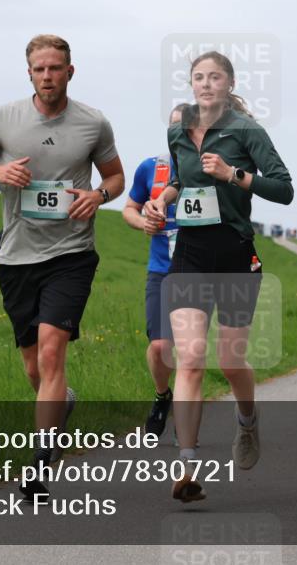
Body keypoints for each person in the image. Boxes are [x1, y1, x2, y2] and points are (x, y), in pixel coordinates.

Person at [0, 34, 124, 500]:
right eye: (39, 69)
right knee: (33, 366)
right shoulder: (3, 118)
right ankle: (61, 402)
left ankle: (40, 466)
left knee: (51, 353)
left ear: (71, 71)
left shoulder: (93, 123)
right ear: (29, 73)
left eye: (56, 68)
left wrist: (98, 196)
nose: (48, 76)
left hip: (71, 253)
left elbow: (115, 176)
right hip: (16, 256)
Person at [143, 51, 293, 503]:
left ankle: (247, 420)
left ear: (229, 84)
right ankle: (187, 467)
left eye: (215, 77)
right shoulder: (178, 130)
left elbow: (284, 189)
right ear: (191, 85)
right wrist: (162, 202)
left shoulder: (248, 131)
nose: (205, 84)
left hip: (235, 254)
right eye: (198, 78)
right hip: (189, 254)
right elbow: (181, 182)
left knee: (230, 362)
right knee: (188, 358)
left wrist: (234, 174)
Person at [122, 104, 187, 438]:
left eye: (185, 126)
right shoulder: (151, 167)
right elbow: (129, 209)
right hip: (161, 268)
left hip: (197, 271)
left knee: (190, 350)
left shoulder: (207, 168)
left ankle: (187, 423)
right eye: (173, 126)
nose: (178, 132)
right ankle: (163, 397)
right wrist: (143, 223)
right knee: (160, 346)